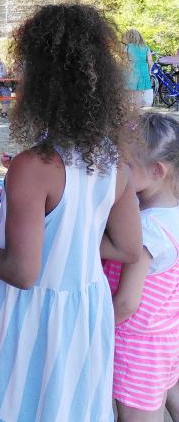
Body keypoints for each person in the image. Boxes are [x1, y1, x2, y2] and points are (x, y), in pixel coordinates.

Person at [0, 4, 143, 421]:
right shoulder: (113, 160)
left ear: (42, 81)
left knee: (14, 399)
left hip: (32, 318)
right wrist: (72, 237)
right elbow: (128, 247)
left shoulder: (34, 166)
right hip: (84, 311)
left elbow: (24, 273)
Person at [104, 112, 179, 422]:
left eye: (125, 166)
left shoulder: (147, 229)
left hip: (135, 344)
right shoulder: (170, 215)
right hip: (165, 334)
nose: (115, 171)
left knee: (136, 414)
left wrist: (91, 328)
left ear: (156, 170)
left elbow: (126, 302)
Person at [123, 29, 154, 107]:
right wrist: (150, 71)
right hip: (143, 71)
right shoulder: (146, 47)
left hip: (131, 70)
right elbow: (150, 62)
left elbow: (124, 61)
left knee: (129, 92)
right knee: (141, 91)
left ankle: (130, 111)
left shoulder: (127, 47)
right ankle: (139, 111)